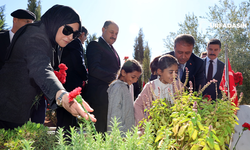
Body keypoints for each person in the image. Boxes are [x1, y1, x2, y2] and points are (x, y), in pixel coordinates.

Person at [0, 5, 96, 130]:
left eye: (76, 34)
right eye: (67, 30)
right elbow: (41, 67)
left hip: (18, 110)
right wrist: (62, 96)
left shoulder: (51, 40)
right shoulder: (35, 35)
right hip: (6, 110)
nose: (71, 37)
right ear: (56, 22)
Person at [86, 20, 120, 133]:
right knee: (99, 133)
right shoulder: (95, 45)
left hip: (110, 97)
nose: (114, 36)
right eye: (111, 32)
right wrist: (116, 78)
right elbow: (94, 70)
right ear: (103, 30)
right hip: (99, 97)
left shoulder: (112, 48)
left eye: (116, 33)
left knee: (107, 131)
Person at [56, 26, 89, 133]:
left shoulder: (66, 44)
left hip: (64, 85)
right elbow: (79, 63)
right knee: (68, 120)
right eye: (85, 37)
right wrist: (86, 77)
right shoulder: (76, 43)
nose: (84, 41)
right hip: (71, 85)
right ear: (82, 34)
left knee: (62, 120)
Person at [134, 54, 182, 126]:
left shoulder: (178, 85)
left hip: (173, 127)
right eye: (171, 72)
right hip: (155, 127)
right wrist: (143, 125)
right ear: (160, 71)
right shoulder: (151, 86)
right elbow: (137, 105)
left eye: (176, 72)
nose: (174, 75)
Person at [107, 59, 142, 135]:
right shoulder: (117, 88)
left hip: (126, 133)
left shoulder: (126, 86)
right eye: (133, 77)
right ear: (123, 72)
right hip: (119, 134)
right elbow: (115, 112)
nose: (135, 81)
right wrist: (119, 134)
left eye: (137, 78)